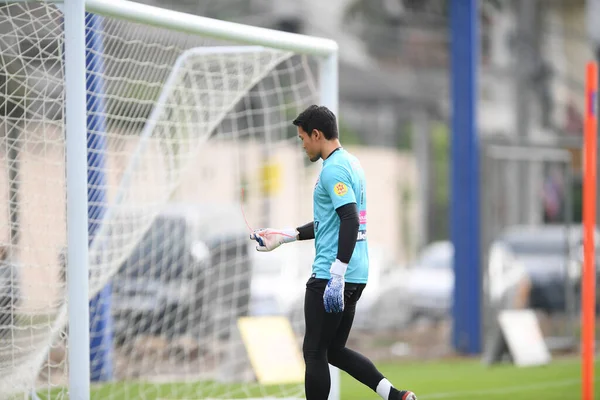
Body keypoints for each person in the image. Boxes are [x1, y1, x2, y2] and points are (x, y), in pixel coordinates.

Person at [250, 105, 417, 400]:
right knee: (333, 351)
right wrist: (283, 236)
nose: (302, 146)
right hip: (356, 274)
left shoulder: (333, 170)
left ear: (317, 135)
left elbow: (350, 218)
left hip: (332, 274)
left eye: (303, 138)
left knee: (313, 351)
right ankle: (396, 396)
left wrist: (337, 272)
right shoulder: (351, 163)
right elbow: (330, 223)